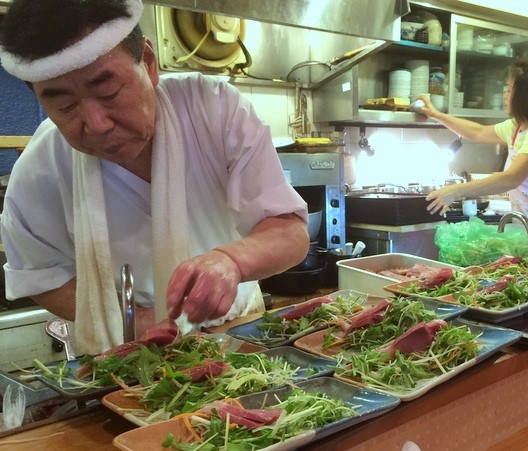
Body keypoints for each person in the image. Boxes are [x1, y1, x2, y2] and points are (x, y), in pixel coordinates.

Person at [0, 0, 310, 354]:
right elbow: (40, 277)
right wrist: (138, 318)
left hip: (236, 335)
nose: (97, 124)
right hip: (124, 351)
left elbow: (288, 230)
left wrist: (231, 260)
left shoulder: (214, 110)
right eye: (65, 105)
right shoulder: (41, 169)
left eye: (109, 91)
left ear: (148, 63)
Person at [416, 57, 528, 253]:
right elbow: (477, 132)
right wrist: (436, 115)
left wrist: (456, 191)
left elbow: (511, 178)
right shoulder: (517, 127)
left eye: (509, 89)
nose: (504, 94)